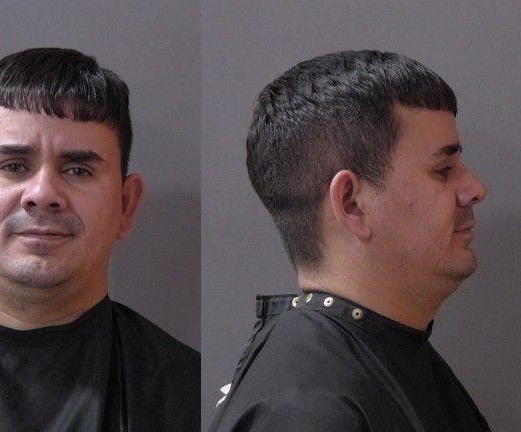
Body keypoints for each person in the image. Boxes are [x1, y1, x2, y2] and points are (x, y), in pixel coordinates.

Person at [0, 48, 199, 431]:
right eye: (14, 166)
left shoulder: (193, 399)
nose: (43, 193)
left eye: (78, 170)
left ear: (125, 205)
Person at [209, 50, 490, 431]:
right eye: (443, 169)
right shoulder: (307, 409)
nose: (475, 189)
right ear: (351, 203)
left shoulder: (386, 352)